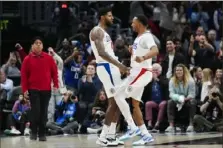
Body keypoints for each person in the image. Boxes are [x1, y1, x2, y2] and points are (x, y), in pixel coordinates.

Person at [89, 6, 138, 146]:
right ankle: (105, 135)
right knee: (116, 99)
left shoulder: (104, 33)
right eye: (109, 16)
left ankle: (110, 135)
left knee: (116, 102)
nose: (112, 18)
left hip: (110, 67)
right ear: (102, 17)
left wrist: (120, 65)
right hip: (106, 67)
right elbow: (102, 53)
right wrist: (119, 65)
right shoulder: (96, 31)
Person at [117, 14, 159, 145]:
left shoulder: (147, 36)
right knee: (135, 105)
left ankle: (132, 127)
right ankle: (146, 135)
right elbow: (139, 55)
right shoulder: (138, 38)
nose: (131, 25)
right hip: (137, 73)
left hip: (142, 73)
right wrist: (133, 53)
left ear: (140, 23)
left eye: (133, 22)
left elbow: (155, 50)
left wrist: (144, 57)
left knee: (118, 95)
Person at [21, 37, 59, 141]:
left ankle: (42, 133)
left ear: (42, 46)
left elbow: (54, 72)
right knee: (35, 112)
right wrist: (24, 90)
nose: (38, 45)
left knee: (44, 112)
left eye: (40, 43)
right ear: (32, 46)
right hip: (33, 90)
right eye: (36, 43)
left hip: (46, 90)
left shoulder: (48, 58)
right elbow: (24, 76)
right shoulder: (27, 59)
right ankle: (33, 132)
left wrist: (56, 85)